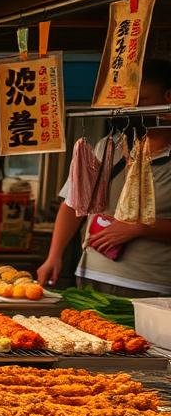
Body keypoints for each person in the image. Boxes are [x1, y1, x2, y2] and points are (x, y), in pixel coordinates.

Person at [38, 58, 171, 297]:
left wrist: (139, 228)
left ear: (168, 99)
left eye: (144, 103)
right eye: (130, 104)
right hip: (90, 277)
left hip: (151, 287)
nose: (135, 112)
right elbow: (72, 205)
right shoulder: (108, 148)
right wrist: (54, 255)